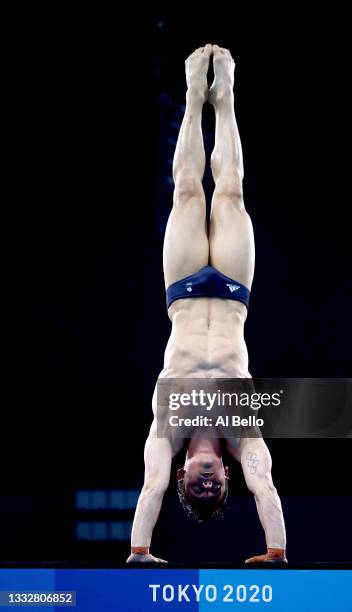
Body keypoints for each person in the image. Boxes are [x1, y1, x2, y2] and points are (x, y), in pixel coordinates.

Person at [127, 44, 287, 564]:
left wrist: (140, 550)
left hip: (184, 294)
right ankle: (228, 100)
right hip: (236, 294)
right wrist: (276, 550)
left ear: (182, 475)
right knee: (233, 194)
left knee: (189, 194)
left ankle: (195, 98)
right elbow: (265, 489)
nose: (204, 485)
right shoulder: (244, 435)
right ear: (225, 478)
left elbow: (150, 490)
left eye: (194, 490)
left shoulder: (165, 431)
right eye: (213, 491)